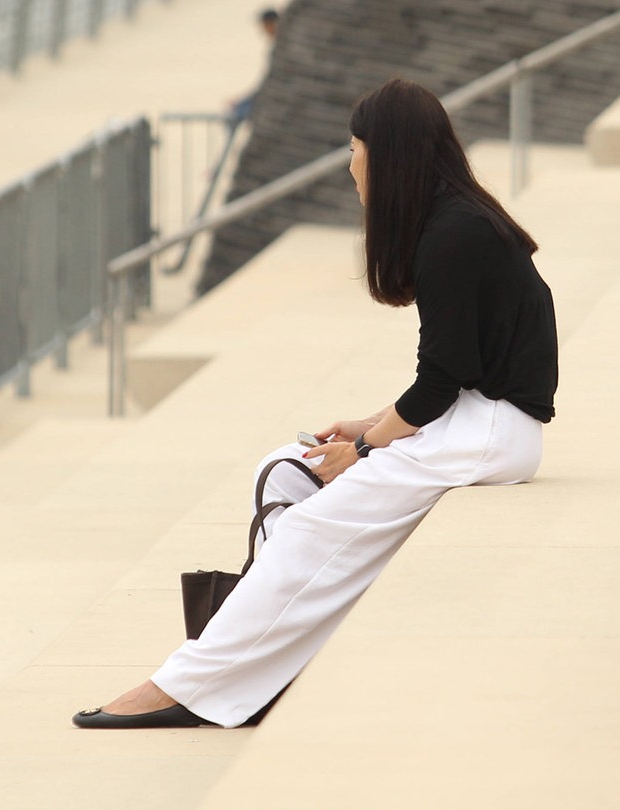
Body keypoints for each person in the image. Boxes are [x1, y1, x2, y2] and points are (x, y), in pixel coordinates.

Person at [73, 78, 559, 729]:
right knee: (284, 472)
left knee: (308, 528)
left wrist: (362, 447)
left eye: (355, 148)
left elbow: (443, 382)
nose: (350, 164)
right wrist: (367, 427)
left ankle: (184, 687)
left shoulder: (455, 235)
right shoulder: (453, 222)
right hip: (473, 421)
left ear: (387, 154)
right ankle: (264, 668)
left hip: (491, 433)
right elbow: (454, 373)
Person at [229, 8, 280, 124]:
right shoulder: (278, 46)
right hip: (270, 93)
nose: (263, 30)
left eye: (265, 25)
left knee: (238, 113)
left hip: (277, 95)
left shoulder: (283, 47)